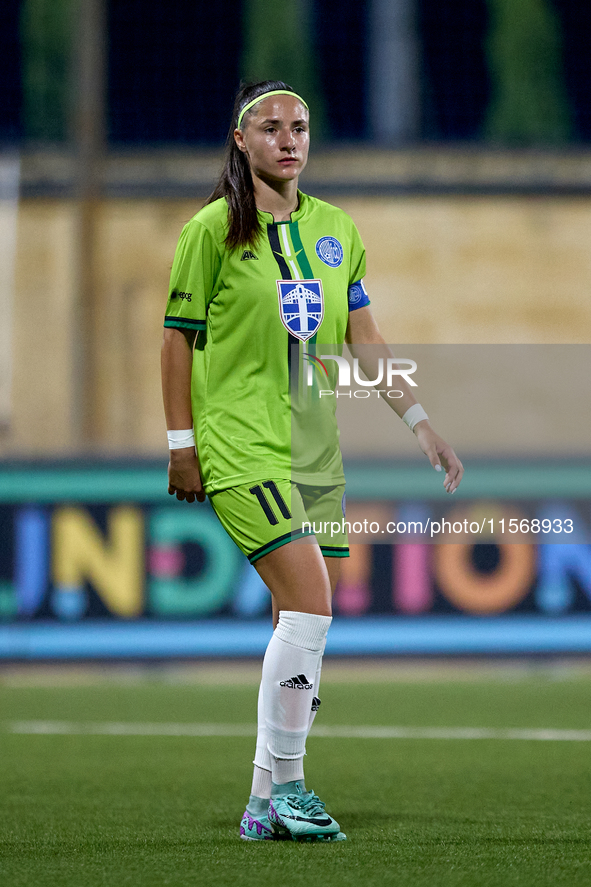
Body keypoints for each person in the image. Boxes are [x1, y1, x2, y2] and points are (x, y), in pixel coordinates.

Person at [161, 80, 464, 843]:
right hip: (240, 442)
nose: (289, 139)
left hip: (314, 451)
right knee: (310, 604)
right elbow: (175, 339)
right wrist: (181, 442)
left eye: (299, 127)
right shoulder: (210, 231)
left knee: (296, 623)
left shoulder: (336, 229)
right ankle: (293, 788)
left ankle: (262, 800)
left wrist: (419, 421)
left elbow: (363, 336)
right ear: (241, 140)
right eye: (271, 128)